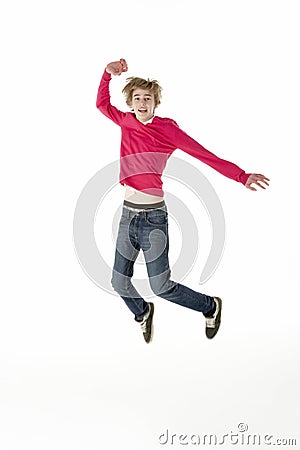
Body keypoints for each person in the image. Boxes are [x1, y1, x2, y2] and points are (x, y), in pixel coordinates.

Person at [96, 58, 269, 344]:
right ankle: (142, 312)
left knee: (161, 286)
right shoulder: (125, 121)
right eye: (137, 98)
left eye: (147, 99)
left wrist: (241, 176)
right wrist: (106, 74)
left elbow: (205, 155)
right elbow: (102, 104)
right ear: (130, 102)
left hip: (153, 218)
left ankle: (209, 306)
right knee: (118, 282)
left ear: (155, 103)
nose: (142, 103)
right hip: (127, 215)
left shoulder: (167, 130)